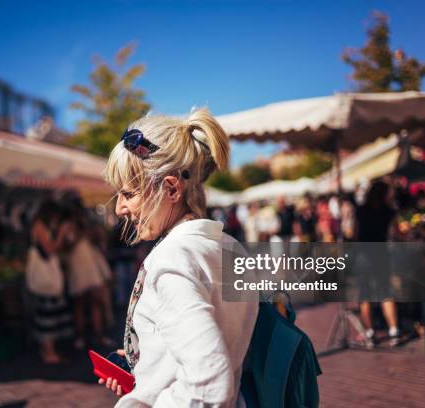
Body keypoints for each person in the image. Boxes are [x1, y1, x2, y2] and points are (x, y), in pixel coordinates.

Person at [100, 108, 258, 407]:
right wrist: (149, 364)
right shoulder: (228, 246)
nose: (120, 208)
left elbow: (210, 384)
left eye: (128, 194)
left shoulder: (172, 259)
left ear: (171, 188)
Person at [60, 196, 114, 350]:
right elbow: (64, 247)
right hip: (77, 267)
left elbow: (97, 240)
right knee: (80, 304)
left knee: (95, 302)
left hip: (89, 266)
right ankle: (81, 336)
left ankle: (98, 335)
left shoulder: (86, 225)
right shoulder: (67, 227)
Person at [355, 180, 400, 346]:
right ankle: (394, 330)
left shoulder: (360, 210)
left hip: (364, 254)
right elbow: (395, 233)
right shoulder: (389, 211)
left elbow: (354, 233)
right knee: (385, 292)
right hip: (381, 253)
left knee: (364, 294)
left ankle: (370, 333)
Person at [29, 200, 70, 364]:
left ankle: (48, 350)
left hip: (48, 277)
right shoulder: (39, 227)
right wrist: (61, 234)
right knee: (47, 314)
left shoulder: (41, 226)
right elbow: (50, 249)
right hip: (45, 278)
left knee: (50, 313)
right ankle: (48, 351)